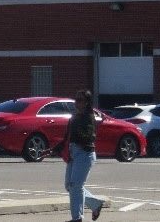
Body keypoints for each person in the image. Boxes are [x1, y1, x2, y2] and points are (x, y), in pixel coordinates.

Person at [63, 89, 105, 222]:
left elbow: (90, 137)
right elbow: (67, 137)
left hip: (85, 154)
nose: (77, 102)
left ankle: (77, 218)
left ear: (87, 102)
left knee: (76, 186)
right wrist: (53, 148)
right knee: (70, 185)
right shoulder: (75, 116)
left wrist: (78, 135)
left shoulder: (88, 117)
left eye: (80, 100)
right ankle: (95, 204)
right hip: (73, 152)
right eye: (76, 99)